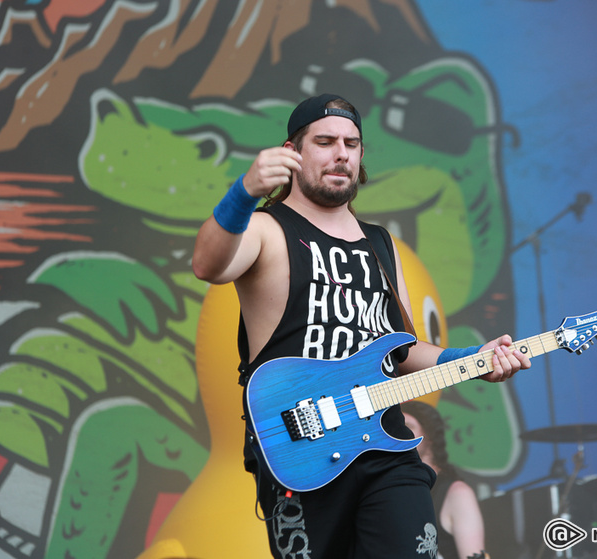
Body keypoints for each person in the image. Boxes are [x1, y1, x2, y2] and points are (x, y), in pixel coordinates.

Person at [192, 93, 531, 559]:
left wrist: (476, 362)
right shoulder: (267, 228)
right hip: (301, 450)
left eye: (351, 143)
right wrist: (243, 192)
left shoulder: (380, 245)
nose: (341, 153)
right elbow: (208, 265)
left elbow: (404, 352)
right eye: (325, 141)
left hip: (383, 442)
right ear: (293, 151)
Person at [402, 401, 487, 559]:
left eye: (408, 426)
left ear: (430, 436)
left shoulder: (457, 493)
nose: (400, 434)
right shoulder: (395, 491)